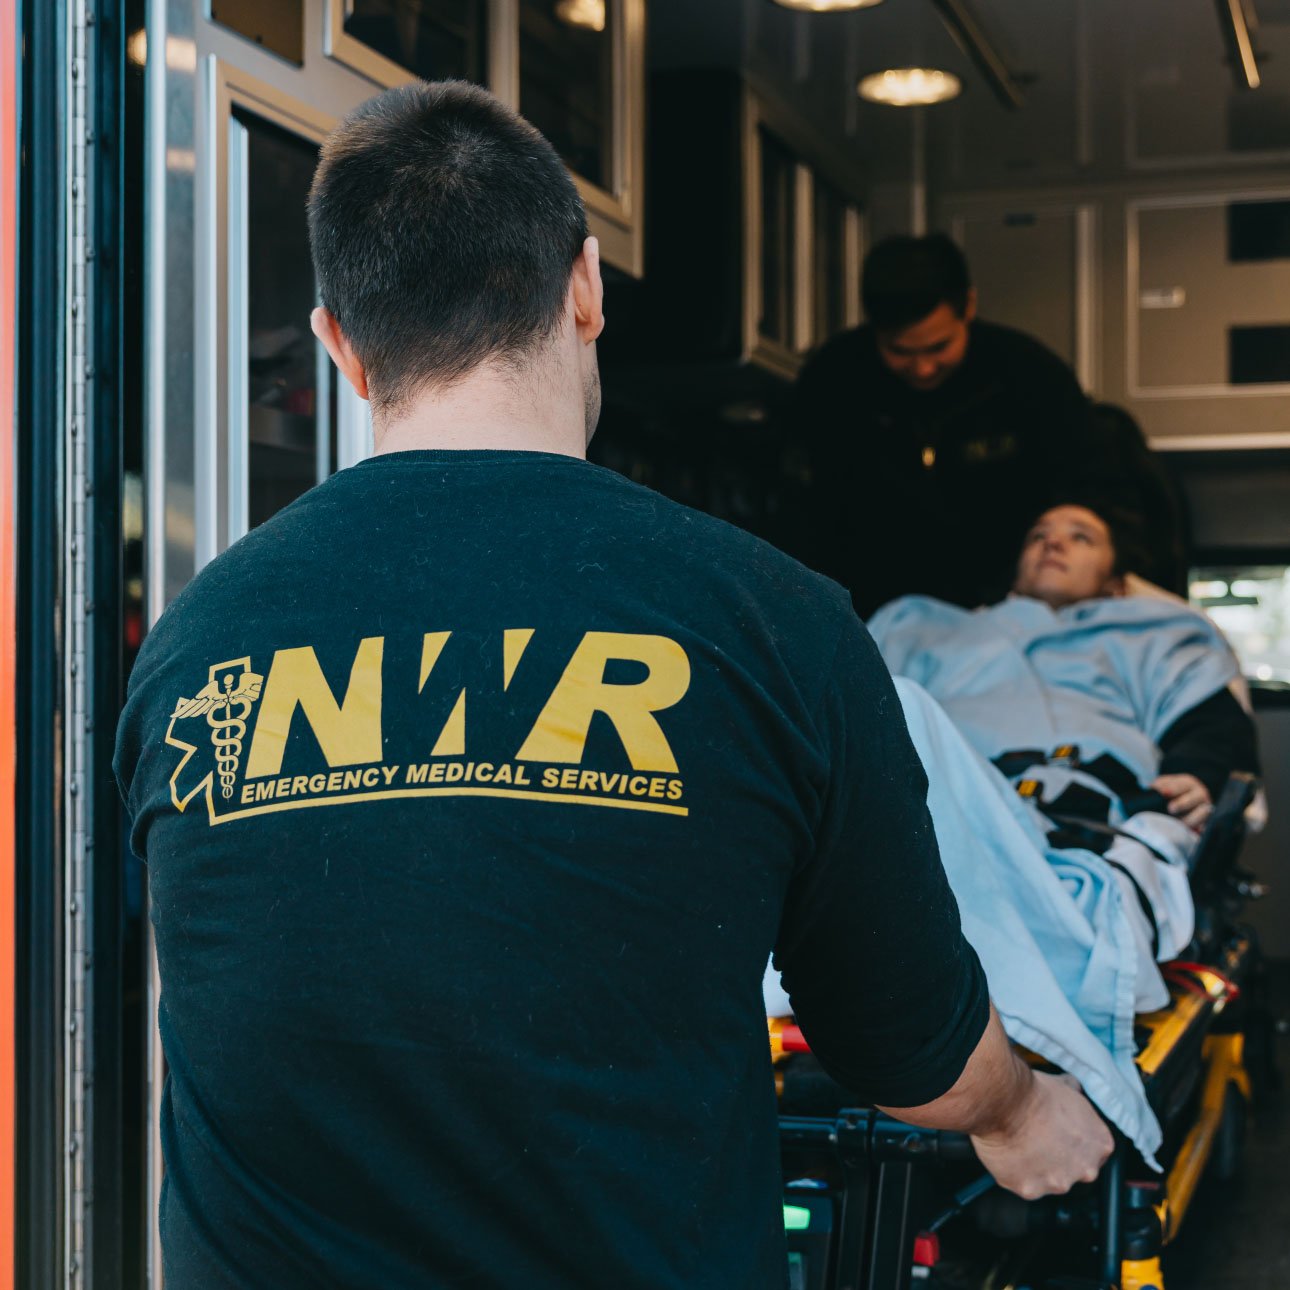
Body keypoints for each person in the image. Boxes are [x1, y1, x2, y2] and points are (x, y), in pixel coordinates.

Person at [114, 83, 1110, 1289]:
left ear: (338, 342)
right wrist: (1021, 1115)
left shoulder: (192, 646)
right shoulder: (769, 619)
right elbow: (912, 1046)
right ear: (585, 286)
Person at [869, 503, 1260, 1009]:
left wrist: (1197, 775)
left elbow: (1209, 722)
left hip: (1082, 806)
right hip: (934, 793)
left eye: (1080, 537)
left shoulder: (1154, 637)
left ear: (1117, 582)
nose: (1053, 543)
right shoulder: (925, 628)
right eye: (1039, 535)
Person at [790, 234, 1105, 617]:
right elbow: (808, 513)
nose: (922, 368)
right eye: (900, 351)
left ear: (968, 306)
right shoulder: (832, 381)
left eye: (939, 347)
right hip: (869, 612)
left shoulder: (1031, 375)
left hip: (1005, 610)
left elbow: (1082, 494)